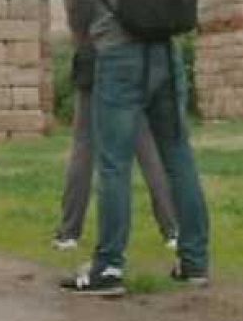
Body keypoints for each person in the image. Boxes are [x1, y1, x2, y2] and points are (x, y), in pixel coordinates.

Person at [57, 0, 211, 296]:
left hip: (117, 54)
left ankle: (108, 267)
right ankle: (195, 261)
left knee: (114, 162)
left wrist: (84, 35)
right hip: (164, 54)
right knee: (178, 154)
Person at [52, 41, 179, 251]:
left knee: (84, 147)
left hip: (96, 60)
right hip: (132, 63)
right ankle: (172, 228)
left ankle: (69, 232)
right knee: (147, 148)